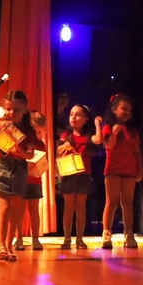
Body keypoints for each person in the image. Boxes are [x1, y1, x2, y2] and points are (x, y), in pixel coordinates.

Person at [0, 90, 37, 262]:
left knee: (15, 211)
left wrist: (20, 152)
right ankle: (1, 247)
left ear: (25, 109)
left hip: (19, 168)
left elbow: (30, 154)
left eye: (16, 110)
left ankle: (9, 247)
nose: (11, 113)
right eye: (8, 109)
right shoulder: (1, 122)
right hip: (0, 166)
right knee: (3, 207)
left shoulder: (28, 129)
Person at [98, 93, 143, 250]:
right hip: (113, 169)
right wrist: (114, 133)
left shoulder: (133, 131)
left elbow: (137, 151)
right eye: (123, 109)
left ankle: (129, 234)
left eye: (129, 110)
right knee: (111, 202)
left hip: (129, 169)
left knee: (127, 203)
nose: (127, 113)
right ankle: (107, 233)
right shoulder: (108, 127)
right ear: (114, 109)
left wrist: (140, 170)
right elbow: (109, 146)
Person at [57, 103, 96, 249]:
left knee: (80, 208)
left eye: (78, 115)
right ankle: (67, 238)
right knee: (68, 207)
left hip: (83, 174)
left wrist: (98, 124)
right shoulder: (66, 135)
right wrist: (64, 146)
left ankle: (79, 238)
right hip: (69, 173)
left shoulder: (87, 137)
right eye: (71, 114)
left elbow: (98, 140)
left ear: (86, 119)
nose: (73, 117)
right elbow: (58, 151)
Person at [16, 110, 49, 252]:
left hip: (35, 180)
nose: (38, 134)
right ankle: (18, 239)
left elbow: (43, 162)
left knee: (34, 210)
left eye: (40, 132)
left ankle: (35, 239)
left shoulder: (40, 144)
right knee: (19, 210)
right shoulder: (22, 141)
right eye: (36, 131)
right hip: (21, 178)